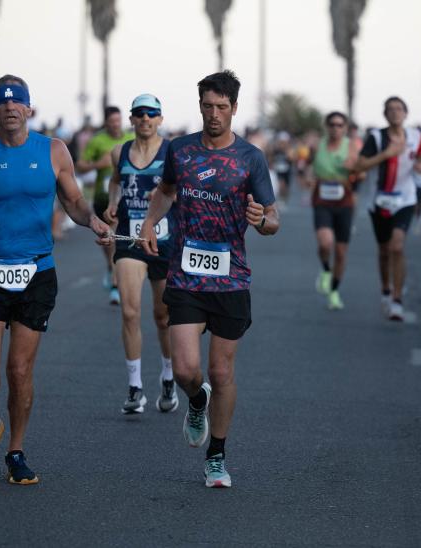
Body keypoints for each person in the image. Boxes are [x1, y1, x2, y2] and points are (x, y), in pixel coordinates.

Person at [0, 74, 111, 485]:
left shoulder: (52, 151)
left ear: (29, 109)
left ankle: (16, 450)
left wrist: (93, 221)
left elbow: (73, 201)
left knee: (18, 371)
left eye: (18, 102)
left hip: (36, 271)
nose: (11, 108)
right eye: (3, 102)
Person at [139, 70, 279, 488]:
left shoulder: (250, 158)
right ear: (199, 105)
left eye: (222, 107)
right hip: (185, 275)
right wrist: (149, 223)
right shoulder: (180, 150)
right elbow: (165, 191)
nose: (214, 114)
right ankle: (195, 401)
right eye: (207, 106)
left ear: (234, 108)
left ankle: (216, 457)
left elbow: (272, 218)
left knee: (221, 373)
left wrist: (262, 221)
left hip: (231, 279)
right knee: (186, 369)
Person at [104, 94, 178, 415]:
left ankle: (168, 376)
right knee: (130, 312)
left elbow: (183, 192)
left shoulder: (172, 152)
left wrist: (164, 196)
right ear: (132, 119)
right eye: (139, 113)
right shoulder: (119, 152)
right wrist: (111, 203)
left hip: (164, 240)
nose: (145, 118)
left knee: (163, 317)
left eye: (152, 114)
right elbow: (115, 181)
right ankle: (135, 387)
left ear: (160, 119)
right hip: (130, 239)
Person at [354, 96, 421, 321]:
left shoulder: (416, 136)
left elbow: (420, 159)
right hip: (379, 201)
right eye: (390, 109)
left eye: (399, 109)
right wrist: (386, 155)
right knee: (384, 250)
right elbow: (359, 165)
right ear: (385, 114)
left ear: (406, 113)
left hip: (405, 199)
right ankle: (385, 288)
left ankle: (397, 299)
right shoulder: (376, 137)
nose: (395, 113)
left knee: (397, 246)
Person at [77, 106, 134, 305]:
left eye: (118, 121)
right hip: (102, 197)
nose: (116, 124)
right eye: (112, 121)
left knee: (115, 239)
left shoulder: (130, 139)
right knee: (106, 239)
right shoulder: (98, 140)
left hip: (123, 197)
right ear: (107, 123)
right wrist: (97, 164)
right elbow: (80, 165)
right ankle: (111, 269)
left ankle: (116, 285)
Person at [311, 111, 356, 310]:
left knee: (340, 251)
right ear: (327, 126)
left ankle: (334, 291)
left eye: (340, 125)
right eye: (332, 124)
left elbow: (361, 170)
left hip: (344, 201)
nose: (336, 128)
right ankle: (325, 270)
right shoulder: (318, 145)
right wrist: (305, 176)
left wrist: (354, 168)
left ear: (345, 128)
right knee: (326, 242)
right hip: (322, 198)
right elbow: (306, 165)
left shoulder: (351, 146)